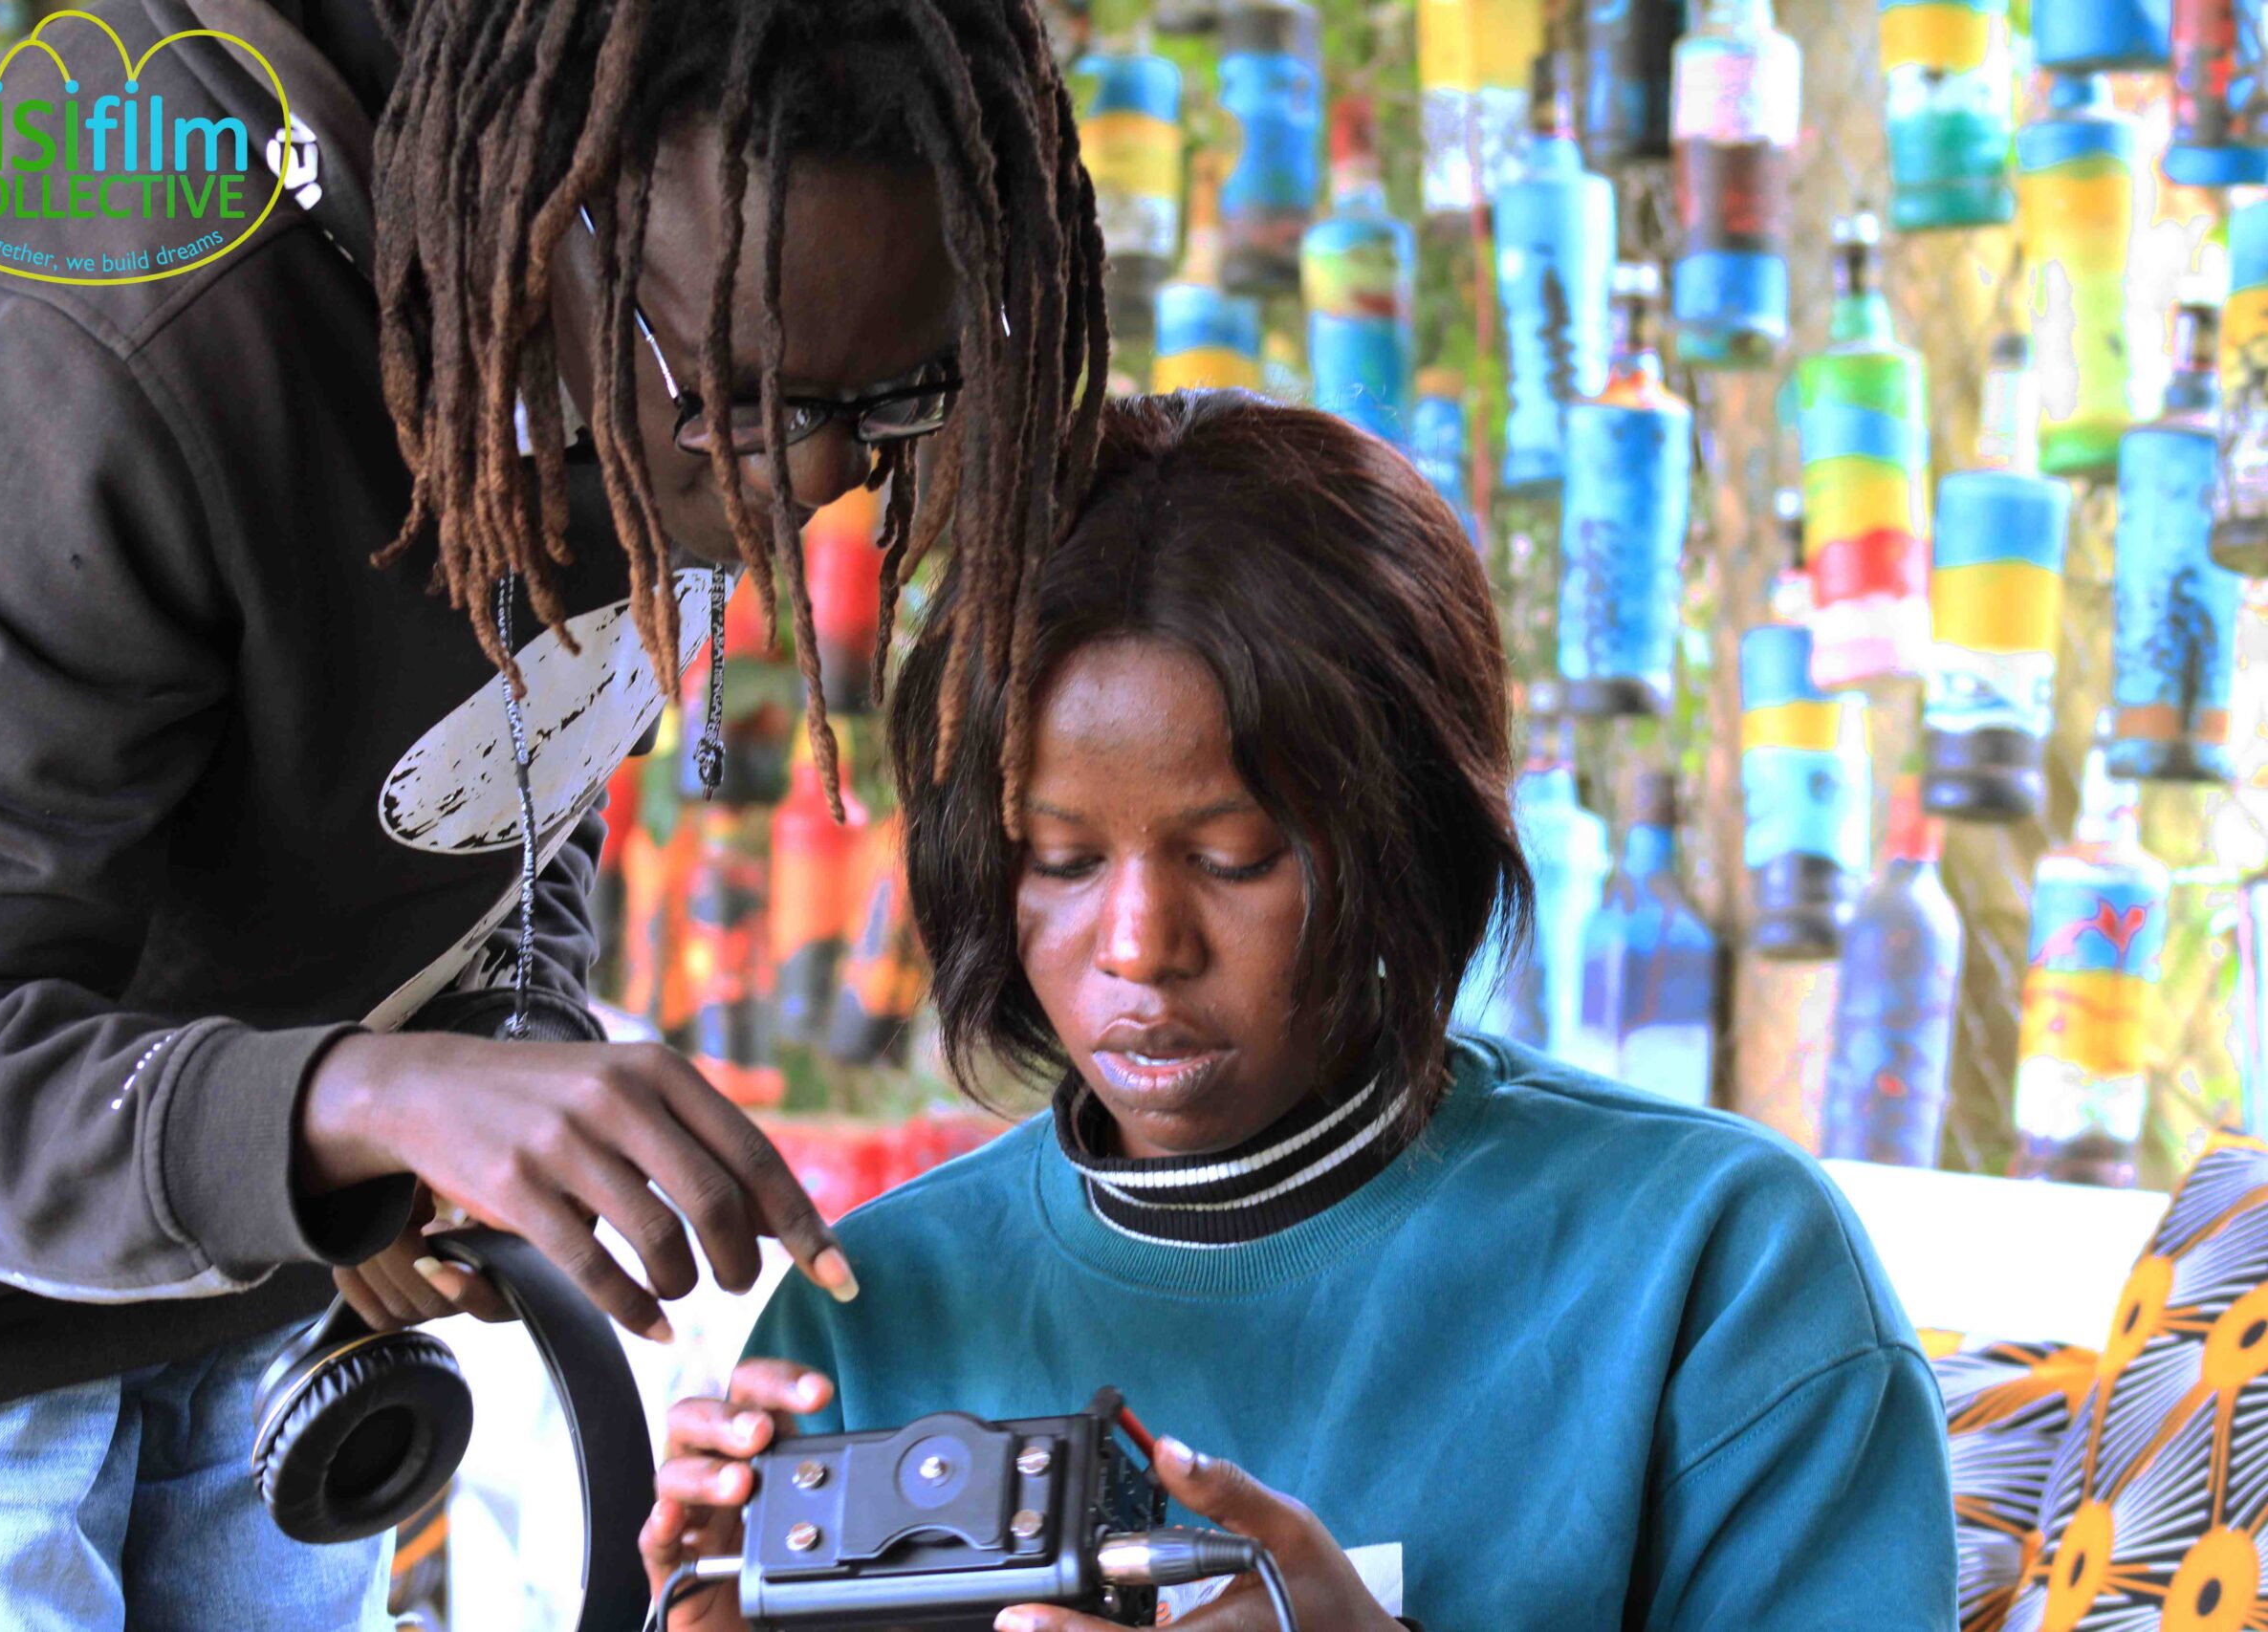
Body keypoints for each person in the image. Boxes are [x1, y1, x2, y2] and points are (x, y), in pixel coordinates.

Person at [0, 0, 1104, 1624]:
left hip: (235, 1284)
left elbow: (509, 775)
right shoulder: (135, 301)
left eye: (894, 395)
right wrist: (360, 1103)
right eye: (737, 401)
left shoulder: (670, 321)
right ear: (540, 217)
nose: (807, 481)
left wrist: (488, 1064)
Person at [643, 392, 1957, 1630]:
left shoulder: (1713, 1272)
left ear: (1404, 840)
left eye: (1234, 857)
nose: (1141, 946)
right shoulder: (871, 1320)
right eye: (1061, 860)